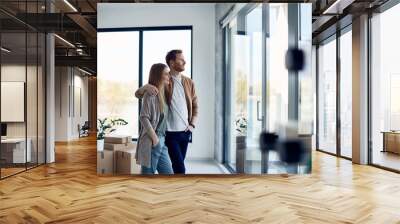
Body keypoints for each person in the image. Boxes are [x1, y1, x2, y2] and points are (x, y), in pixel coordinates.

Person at [135, 50, 198, 174]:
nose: (184, 61)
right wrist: (146, 87)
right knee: (178, 167)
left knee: (175, 167)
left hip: (182, 133)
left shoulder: (188, 82)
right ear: (172, 63)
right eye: (181, 59)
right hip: (166, 134)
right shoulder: (161, 87)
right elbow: (139, 96)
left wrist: (192, 125)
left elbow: (196, 106)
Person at [135, 63, 173, 175]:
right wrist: (155, 139)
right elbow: (143, 117)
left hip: (162, 140)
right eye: (166, 74)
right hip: (152, 140)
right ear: (158, 76)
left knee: (168, 173)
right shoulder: (150, 94)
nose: (169, 76)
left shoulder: (165, 92)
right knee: (147, 175)